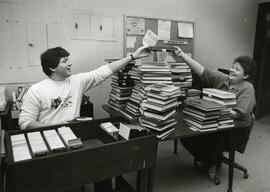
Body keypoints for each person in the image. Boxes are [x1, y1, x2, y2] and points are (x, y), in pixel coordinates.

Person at [172, 46, 256, 180]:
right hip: (217, 122)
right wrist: (181, 54)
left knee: (210, 138)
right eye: (232, 67)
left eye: (237, 69)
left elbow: (240, 114)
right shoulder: (222, 79)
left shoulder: (247, 88)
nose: (232, 70)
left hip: (235, 129)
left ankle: (210, 162)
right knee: (187, 135)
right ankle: (208, 159)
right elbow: (201, 70)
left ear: (245, 76)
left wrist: (213, 112)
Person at [19, 45, 149, 129]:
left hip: (74, 136)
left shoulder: (77, 81)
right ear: (52, 67)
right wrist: (54, 127)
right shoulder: (36, 90)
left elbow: (105, 71)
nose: (70, 64)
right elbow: (25, 122)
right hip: (49, 138)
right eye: (65, 61)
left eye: (68, 60)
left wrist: (132, 57)